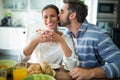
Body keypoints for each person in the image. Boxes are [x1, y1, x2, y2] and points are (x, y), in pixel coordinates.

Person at [58, 0, 120, 79]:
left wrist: (90, 73)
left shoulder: (97, 35)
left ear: (72, 15)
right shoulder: (67, 34)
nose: (58, 15)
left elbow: (118, 63)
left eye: (62, 12)